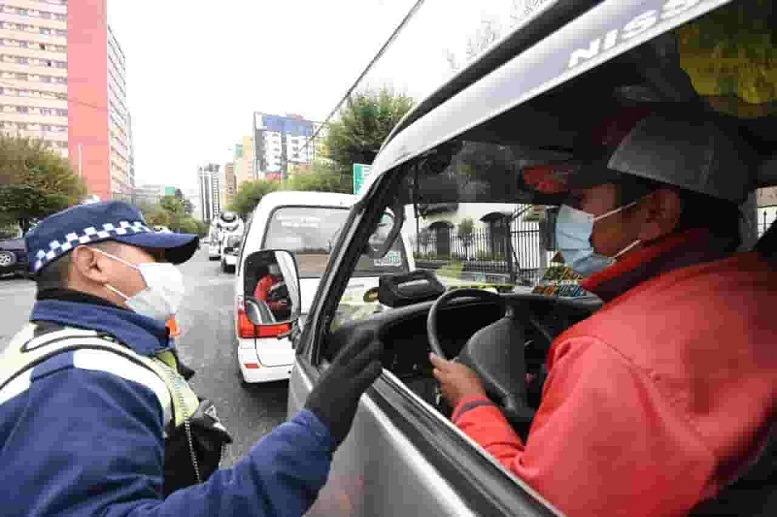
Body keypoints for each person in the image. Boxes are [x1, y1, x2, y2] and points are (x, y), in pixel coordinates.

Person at [430, 110, 776, 516]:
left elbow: (524, 507)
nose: (568, 219)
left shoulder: (610, 356)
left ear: (656, 213)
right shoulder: (757, 289)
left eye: (579, 202)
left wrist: (471, 403)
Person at [0, 201, 383, 516]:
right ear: (92, 264)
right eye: (153, 255)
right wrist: (313, 430)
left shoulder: (73, 344)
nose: (166, 270)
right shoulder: (75, 381)